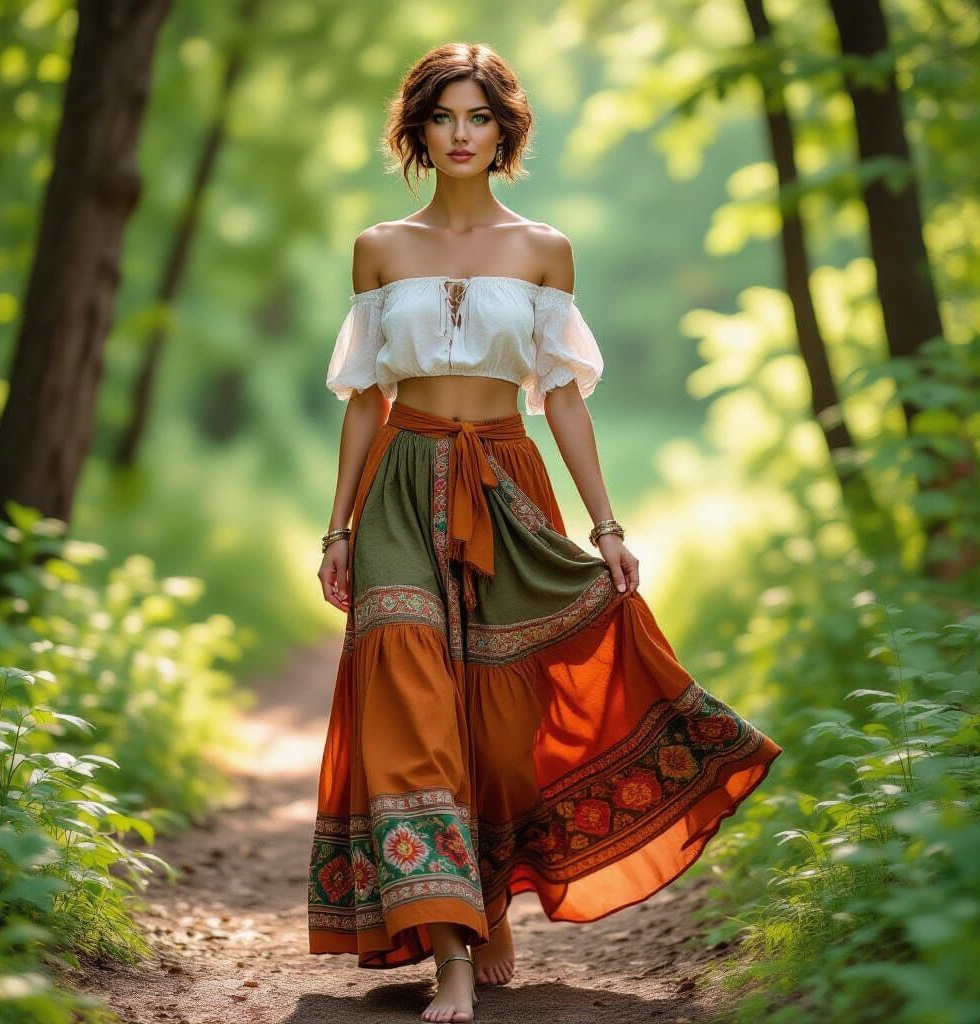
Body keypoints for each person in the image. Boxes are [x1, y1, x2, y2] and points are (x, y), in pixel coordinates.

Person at [308, 40, 783, 1024]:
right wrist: (337, 527)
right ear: (416, 130)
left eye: (478, 116)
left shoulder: (542, 248)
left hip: (509, 479)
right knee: (405, 687)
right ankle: (449, 952)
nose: (460, 134)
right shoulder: (379, 247)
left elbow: (562, 397)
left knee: (499, 707)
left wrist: (605, 524)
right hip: (401, 475)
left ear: (504, 130)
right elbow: (363, 399)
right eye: (442, 116)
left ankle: (486, 896)